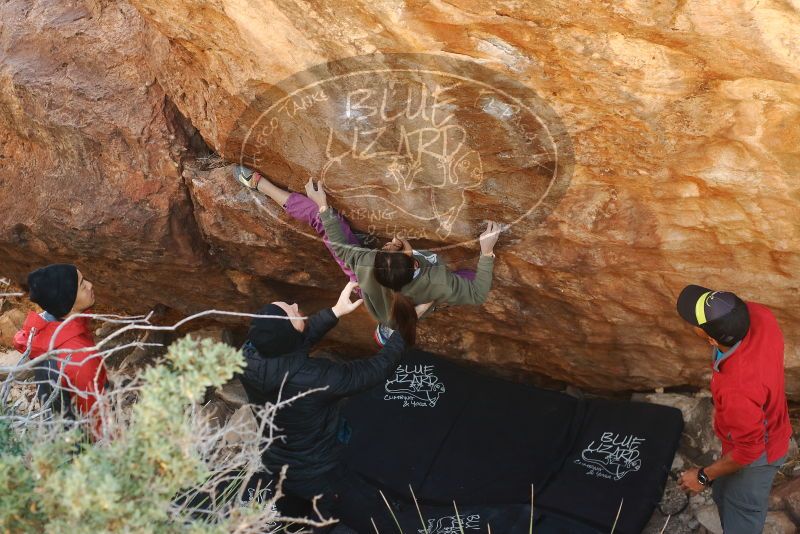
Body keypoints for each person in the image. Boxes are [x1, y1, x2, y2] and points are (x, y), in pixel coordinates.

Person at [232, 166, 502, 347]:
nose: (386, 245)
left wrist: (323, 205)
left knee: (322, 220)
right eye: (386, 248)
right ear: (412, 258)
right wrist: (487, 252)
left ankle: (261, 186)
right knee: (469, 279)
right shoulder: (439, 283)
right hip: (405, 297)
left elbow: (328, 226)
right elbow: (478, 293)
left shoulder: (361, 262)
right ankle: (394, 325)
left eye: (384, 249)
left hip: (365, 286)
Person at [238, 281, 422, 532]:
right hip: (319, 467)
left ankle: (288, 515)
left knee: (287, 501)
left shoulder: (248, 356)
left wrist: (335, 311)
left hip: (274, 457)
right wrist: (404, 328)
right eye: (291, 311)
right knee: (341, 508)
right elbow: (374, 370)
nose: (295, 305)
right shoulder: (316, 378)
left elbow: (290, 345)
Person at [676, 285, 791, 533]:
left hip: (760, 453)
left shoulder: (737, 387)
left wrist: (702, 476)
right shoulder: (760, 315)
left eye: (695, 322)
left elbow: (749, 451)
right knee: (724, 493)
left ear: (711, 339)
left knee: (742, 513)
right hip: (759, 425)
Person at [13, 264, 107, 434]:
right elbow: (99, 422)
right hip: (82, 448)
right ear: (68, 303)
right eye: (82, 285)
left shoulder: (45, 332)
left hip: (58, 438)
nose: (90, 285)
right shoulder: (80, 357)